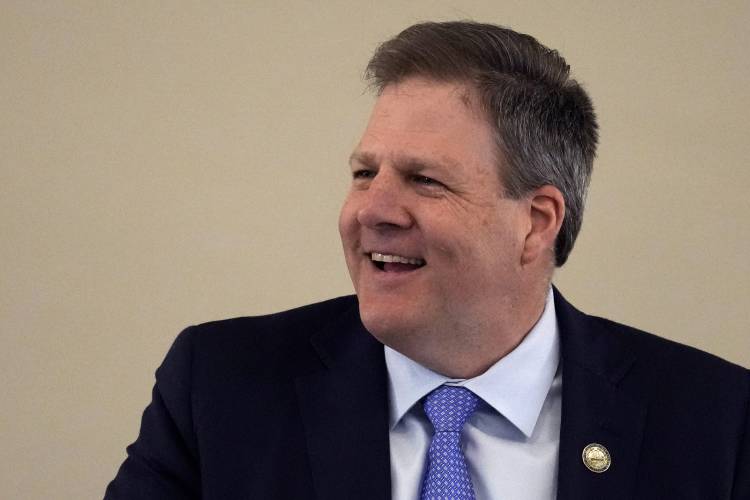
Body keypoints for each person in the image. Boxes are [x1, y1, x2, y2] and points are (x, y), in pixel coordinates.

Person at [105, 21, 749, 500]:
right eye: (364, 173)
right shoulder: (222, 386)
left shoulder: (716, 420)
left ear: (536, 222)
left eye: (424, 180)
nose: (371, 210)